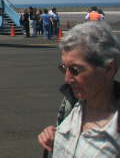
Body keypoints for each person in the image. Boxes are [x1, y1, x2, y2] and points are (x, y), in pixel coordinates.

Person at [37, 21, 120, 156]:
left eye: (75, 70)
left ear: (108, 69)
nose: (67, 79)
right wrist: (56, 137)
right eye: (63, 68)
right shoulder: (71, 103)